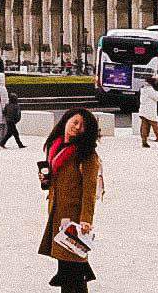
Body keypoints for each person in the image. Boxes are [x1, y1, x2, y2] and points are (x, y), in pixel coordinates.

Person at [38, 108, 101, 293]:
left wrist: (86, 219)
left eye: (82, 126)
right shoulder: (56, 146)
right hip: (57, 214)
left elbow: (89, 190)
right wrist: (47, 181)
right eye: (75, 122)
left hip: (73, 218)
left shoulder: (86, 154)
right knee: (66, 266)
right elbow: (60, 180)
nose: (77, 128)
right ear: (66, 120)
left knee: (72, 268)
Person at [137, 76, 158, 147]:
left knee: (144, 126)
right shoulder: (150, 90)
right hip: (150, 110)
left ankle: (144, 141)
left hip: (143, 110)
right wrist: (157, 91)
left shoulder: (143, 89)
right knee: (155, 125)